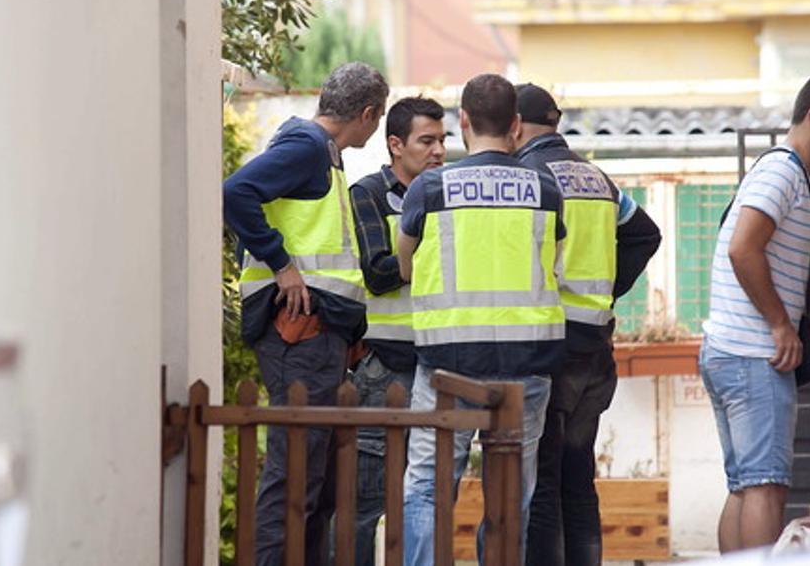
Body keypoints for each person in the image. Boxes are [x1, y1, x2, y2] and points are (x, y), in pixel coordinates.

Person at [396, 74, 565, 566]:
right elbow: (551, 262)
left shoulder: (430, 188)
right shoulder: (545, 188)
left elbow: (406, 264)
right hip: (527, 364)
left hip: (447, 366)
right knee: (511, 496)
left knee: (427, 488)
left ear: (463, 121)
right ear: (516, 125)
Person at [223, 62, 387, 566]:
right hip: (299, 332)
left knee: (309, 478)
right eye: (378, 119)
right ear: (366, 114)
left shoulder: (322, 154)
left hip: (312, 334)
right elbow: (235, 192)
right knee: (294, 474)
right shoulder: (307, 148)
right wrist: (281, 265)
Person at [700, 65, 810, 552]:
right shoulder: (782, 171)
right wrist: (780, 326)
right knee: (765, 485)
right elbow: (743, 248)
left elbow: (803, 282)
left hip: (731, 351)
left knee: (747, 485)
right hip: (753, 354)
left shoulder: (789, 176)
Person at [513, 83, 662, 566]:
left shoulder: (529, 176)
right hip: (594, 346)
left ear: (515, 125)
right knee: (578, 479)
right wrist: (607, 287)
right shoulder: (598, 179)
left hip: (549, 344)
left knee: (543, 482)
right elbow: (645, 233)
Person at [347, 97, 447, 566]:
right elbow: (378, 272)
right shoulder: (366, 193)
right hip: (384, 369)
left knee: (426, 501)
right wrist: (429, 257)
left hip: (438, 365)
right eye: (427, 141)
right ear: (395, 144)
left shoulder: (449, 193)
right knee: (365, 507)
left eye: (443, 140)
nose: (439, 151)